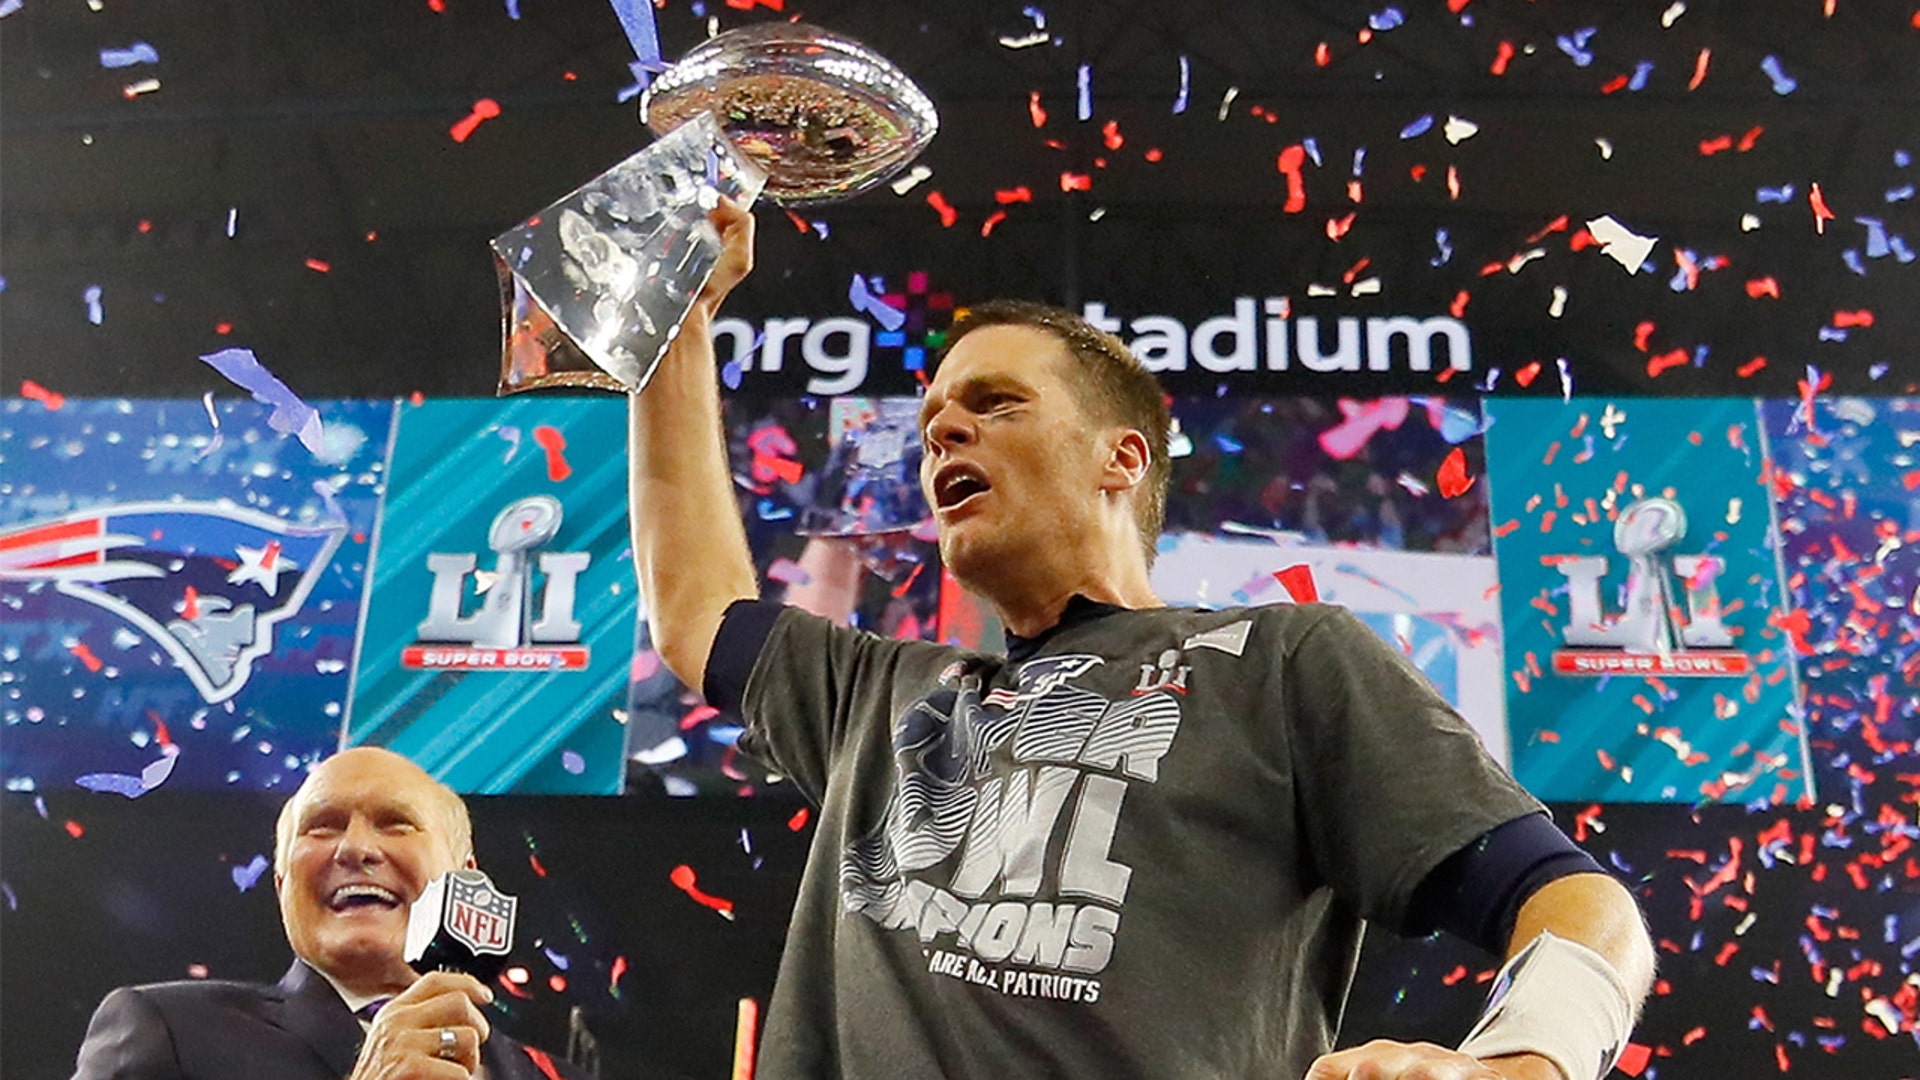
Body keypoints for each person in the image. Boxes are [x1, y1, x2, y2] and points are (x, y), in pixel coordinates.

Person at [628, 198, 1657, 1080]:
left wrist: (1525, 1061)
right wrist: (680, 320)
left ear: (1121, 458)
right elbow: (696, 609)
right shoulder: (880, 694)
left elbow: (1574, 899)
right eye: (936, 414)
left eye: (995, 404)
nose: (943, 428)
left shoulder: (1286, 662)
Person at [72, 747, 587, 1080]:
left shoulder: (555, 1075)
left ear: (464, 875)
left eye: (395, 824)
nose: (356, 849)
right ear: (282, 885)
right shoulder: (172, 1032)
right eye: (322, 826)